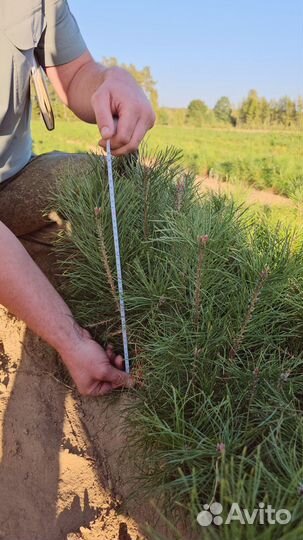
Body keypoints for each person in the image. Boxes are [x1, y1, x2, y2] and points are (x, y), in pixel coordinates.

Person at [0, 0, 155, 396]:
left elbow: (79, 73)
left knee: (125, 177)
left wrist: (111, 80)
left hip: (11, 180)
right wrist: (70, 338)